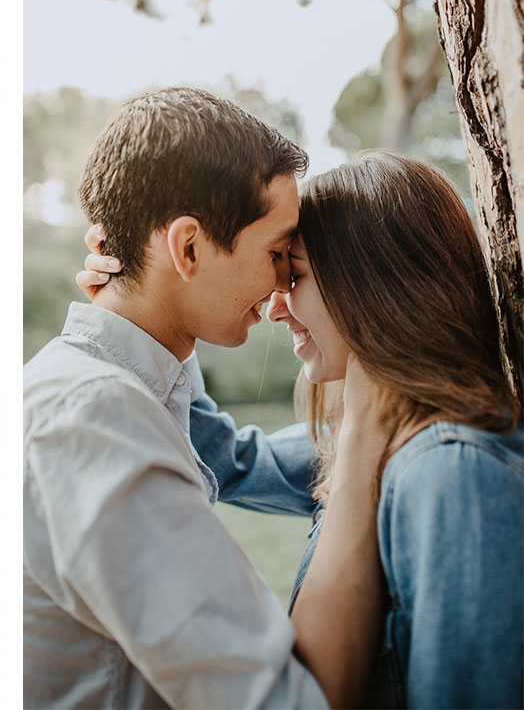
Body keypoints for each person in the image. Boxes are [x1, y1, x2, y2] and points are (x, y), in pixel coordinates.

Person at [79, 152, 524, 708]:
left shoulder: (454, 475)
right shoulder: (359, 441)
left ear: (374, 286)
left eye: (298, 274)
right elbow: (228, 458)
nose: (275, 306)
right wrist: (143, 309)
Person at [24, 87, 385, 709]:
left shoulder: (125, 388)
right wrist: (363, 444)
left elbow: (241, 459)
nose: (280, 293)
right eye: (277, 254)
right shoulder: (96, 418)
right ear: (187, 247)